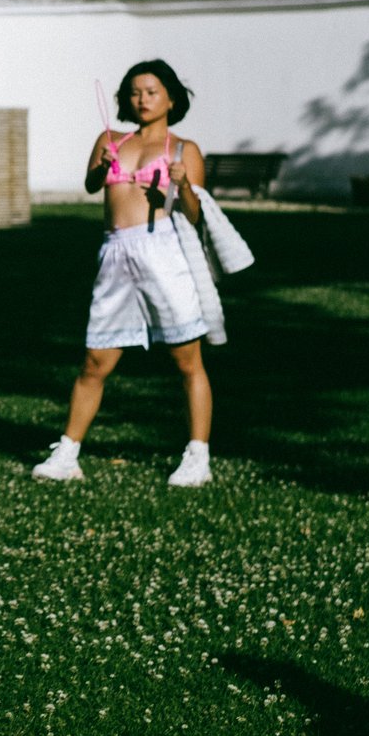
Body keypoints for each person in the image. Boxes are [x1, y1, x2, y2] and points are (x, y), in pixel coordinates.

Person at [33, 58, 213, 488]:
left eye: (152, 91)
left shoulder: (184, 150)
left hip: (164, 252)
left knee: (187, 359)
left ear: (171, 98)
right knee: (95, 359)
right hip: (116, 254)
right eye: (135, 92)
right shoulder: (111, 138)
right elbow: (94, 186)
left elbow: (196, 216)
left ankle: (197, 457)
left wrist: (182, 185)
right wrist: (101, 164)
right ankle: (68, 453)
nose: (142, 99)